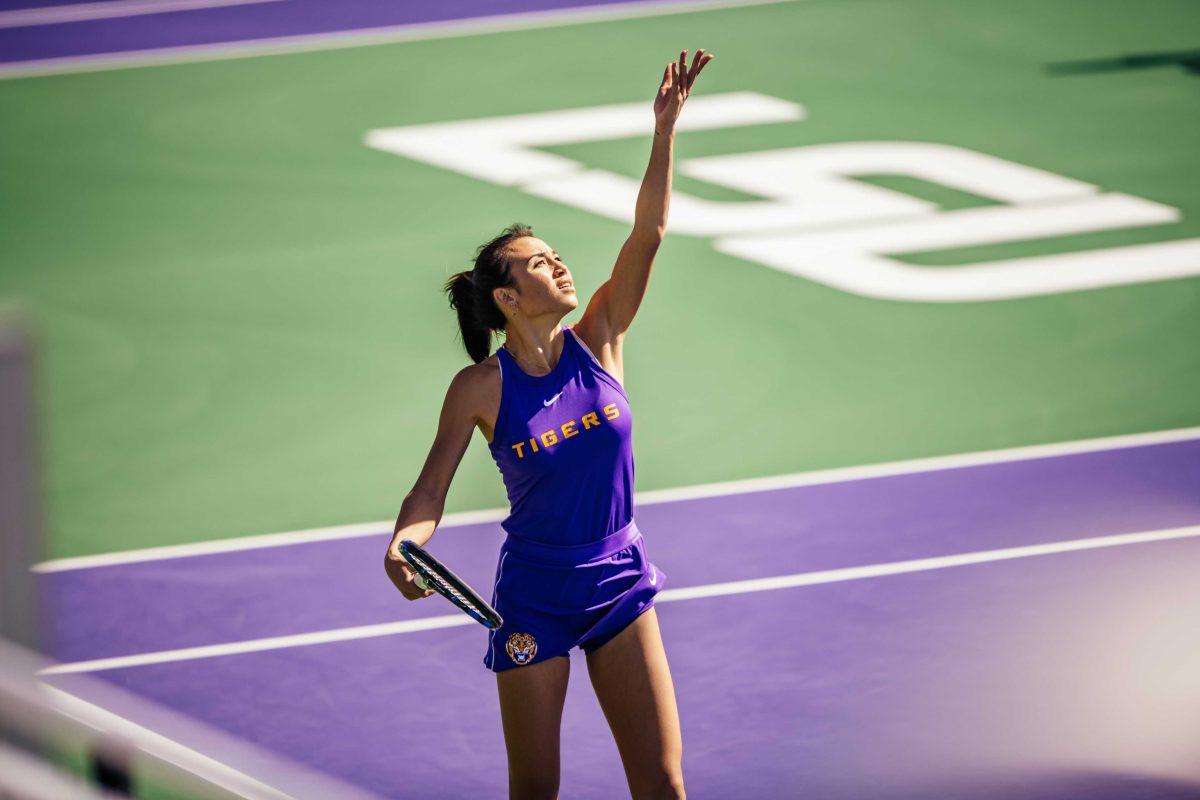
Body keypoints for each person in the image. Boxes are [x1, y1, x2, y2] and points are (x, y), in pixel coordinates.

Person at [385, 48, 714, 800]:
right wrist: (405, 544)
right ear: (505, 296)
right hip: (535, 597)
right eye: (538, 262)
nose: (560, 267)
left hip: (621, 580)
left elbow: (649, 233)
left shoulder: (599, 338)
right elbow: (429, 488)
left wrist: (664, 128)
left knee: (662, 783)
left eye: (558, 256)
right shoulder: (478, 387)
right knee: (534, 790)